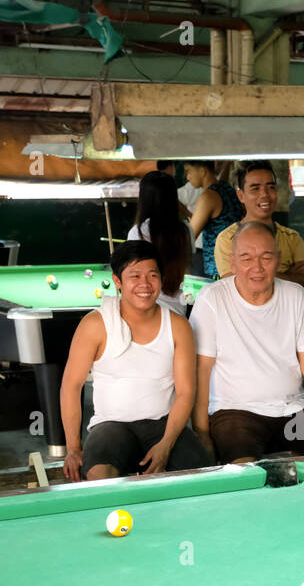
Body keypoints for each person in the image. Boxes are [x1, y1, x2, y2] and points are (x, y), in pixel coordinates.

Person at [193, 222, 304, 462]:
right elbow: (201, 370)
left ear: (278, 260)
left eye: (266, 257)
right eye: (246, 258)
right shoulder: (212, 298)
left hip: (293, 410)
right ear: (233, 261)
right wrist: (202, 432)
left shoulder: (294, 294)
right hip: (235, 413)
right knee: (244, 470)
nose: (256, 267)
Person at [59, 241, 210, 482]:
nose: (145, 284)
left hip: (165, 425)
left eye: (153, 275)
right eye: (135, 276)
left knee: (201, 476)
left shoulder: (179, 326)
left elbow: (185, 393)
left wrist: (167, 444)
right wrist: (73, 449)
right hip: (110, 426)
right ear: (117, 281)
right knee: (100, 477)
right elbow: (71, 386)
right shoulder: (94, 325)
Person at [212, 161, 304, 293]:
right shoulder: (227, 239)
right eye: (255, 188)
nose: (265, 194)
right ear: (241, 196)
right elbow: (235, 286)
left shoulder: (292, 237)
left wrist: (256, 275)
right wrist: (291, 276)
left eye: (271, 187)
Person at [126, 170, 192, 315]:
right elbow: (186, 266)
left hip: (148, 311)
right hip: (179, 309)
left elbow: (134, 276)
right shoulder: (186, 229)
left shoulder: (138, 232)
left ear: (144, 198)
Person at [187, 161, 242, 280]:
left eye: (189, 171)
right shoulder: (226, 188)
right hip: (235, 266)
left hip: (218, 271)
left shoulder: (208, 197)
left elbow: (188, 237)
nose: (188, 177)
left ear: (202, 171)